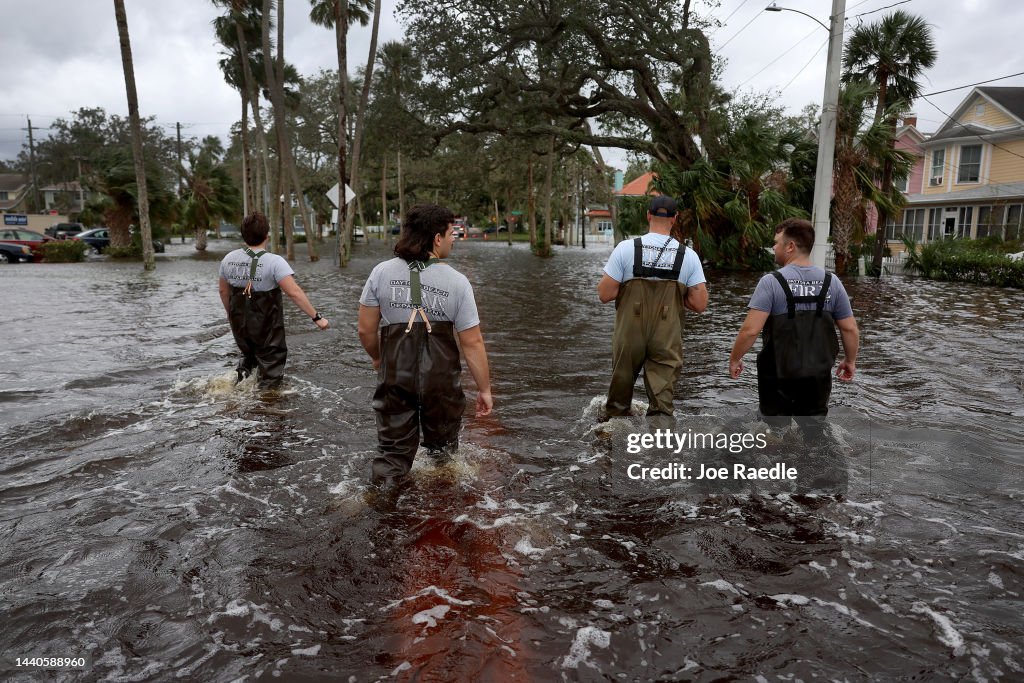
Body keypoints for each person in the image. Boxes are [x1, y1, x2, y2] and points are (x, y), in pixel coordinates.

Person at [358, 203, 493, 488]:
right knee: (443, 458)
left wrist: (378, 359)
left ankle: (379, 505)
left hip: (396, 375)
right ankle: (439, 514)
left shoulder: (380, 273)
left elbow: (366, 329)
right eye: (451, 232)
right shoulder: (457, 282)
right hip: (440, 383)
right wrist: (484, 389)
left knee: (391, 457)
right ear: (437, 238)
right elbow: (473, 343)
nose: (454, 238)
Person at [728, 217, 859, 417]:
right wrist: (850, 361)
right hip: (817, 376)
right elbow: (849, 328)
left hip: (777, 375)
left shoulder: (771, 282)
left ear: (790, 246)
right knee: (813, 431)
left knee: (774, 432)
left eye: (776, 242)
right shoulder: (832, 282)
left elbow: (750, 330)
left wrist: (735, 358)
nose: (773, 247)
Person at [596, 195, 709, 417]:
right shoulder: (689, 256)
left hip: (630, 332)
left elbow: (604, 294)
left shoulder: (625, 249)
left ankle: (611, 442)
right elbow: (699, 304)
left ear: (648, 215)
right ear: (674, 219)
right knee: (662, 405)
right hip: (667, 334)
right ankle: (659, 447)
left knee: (618, 399)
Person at [218, 211, 329, 387]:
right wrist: (317, 317)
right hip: (265, 325)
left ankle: (239, 397)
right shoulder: (275, 262)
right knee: (271, 363)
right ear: (266, 235)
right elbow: (294, 293)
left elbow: (223, 292)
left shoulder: (228, 259)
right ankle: (267, 405)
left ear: (243, 234)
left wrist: (231, 315)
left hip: (239, 322)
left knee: (248, 356)